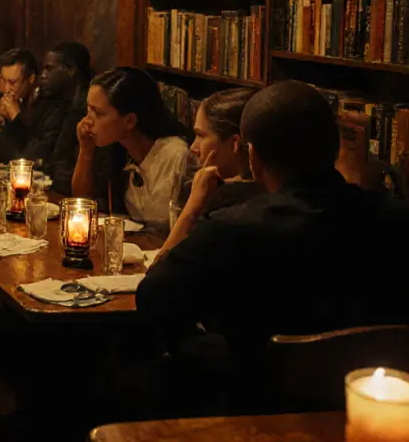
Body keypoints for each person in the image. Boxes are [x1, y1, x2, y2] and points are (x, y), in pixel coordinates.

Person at [137, 81, 409, 411]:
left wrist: (215, 350)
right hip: (367, 407)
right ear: (336, 148)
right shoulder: (397, 220)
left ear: (252, 156)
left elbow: (152, 299)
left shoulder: (232, 227)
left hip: (246, 406)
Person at [71, 67, 193, 229]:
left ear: (129, 121)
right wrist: (85, 151)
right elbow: (82, 205)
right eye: (88, 110)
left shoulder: (176, 155)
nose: (87, 121)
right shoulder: (115, 148)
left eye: (98, 113)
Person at [154, 87, 261, 262]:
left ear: (234, 143)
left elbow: (158, 274)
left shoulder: (227, 207)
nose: (193, 147)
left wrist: (194, 205)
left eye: (200, 136)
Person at [41, 42, 93, 194]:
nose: (43, 75)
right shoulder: (56, 104)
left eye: (49, 69)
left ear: (71, 71)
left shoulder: (86, 111)